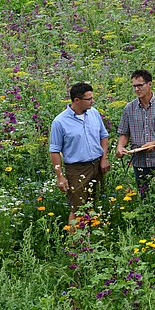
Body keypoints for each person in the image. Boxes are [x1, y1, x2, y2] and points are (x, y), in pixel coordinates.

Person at [49, 82, 110, 225]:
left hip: (97, 165)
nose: (92, 101)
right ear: (77, 100)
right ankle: (74, 244)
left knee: (94, 203)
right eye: (89, 99)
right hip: (77, 169)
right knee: (78, 208)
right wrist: (60, 177)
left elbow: (104, 136)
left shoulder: (94, 113)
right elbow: (54, 151)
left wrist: (104, 159)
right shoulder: (60, 122)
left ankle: (90, 240)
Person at [116, 69, 155, 193]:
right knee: (145, 198)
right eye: (134, 86)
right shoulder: (129, 108)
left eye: (140, 85)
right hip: (140, 162)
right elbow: (124, 133)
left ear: (149, 84)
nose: (137, 89)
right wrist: (120, 146)